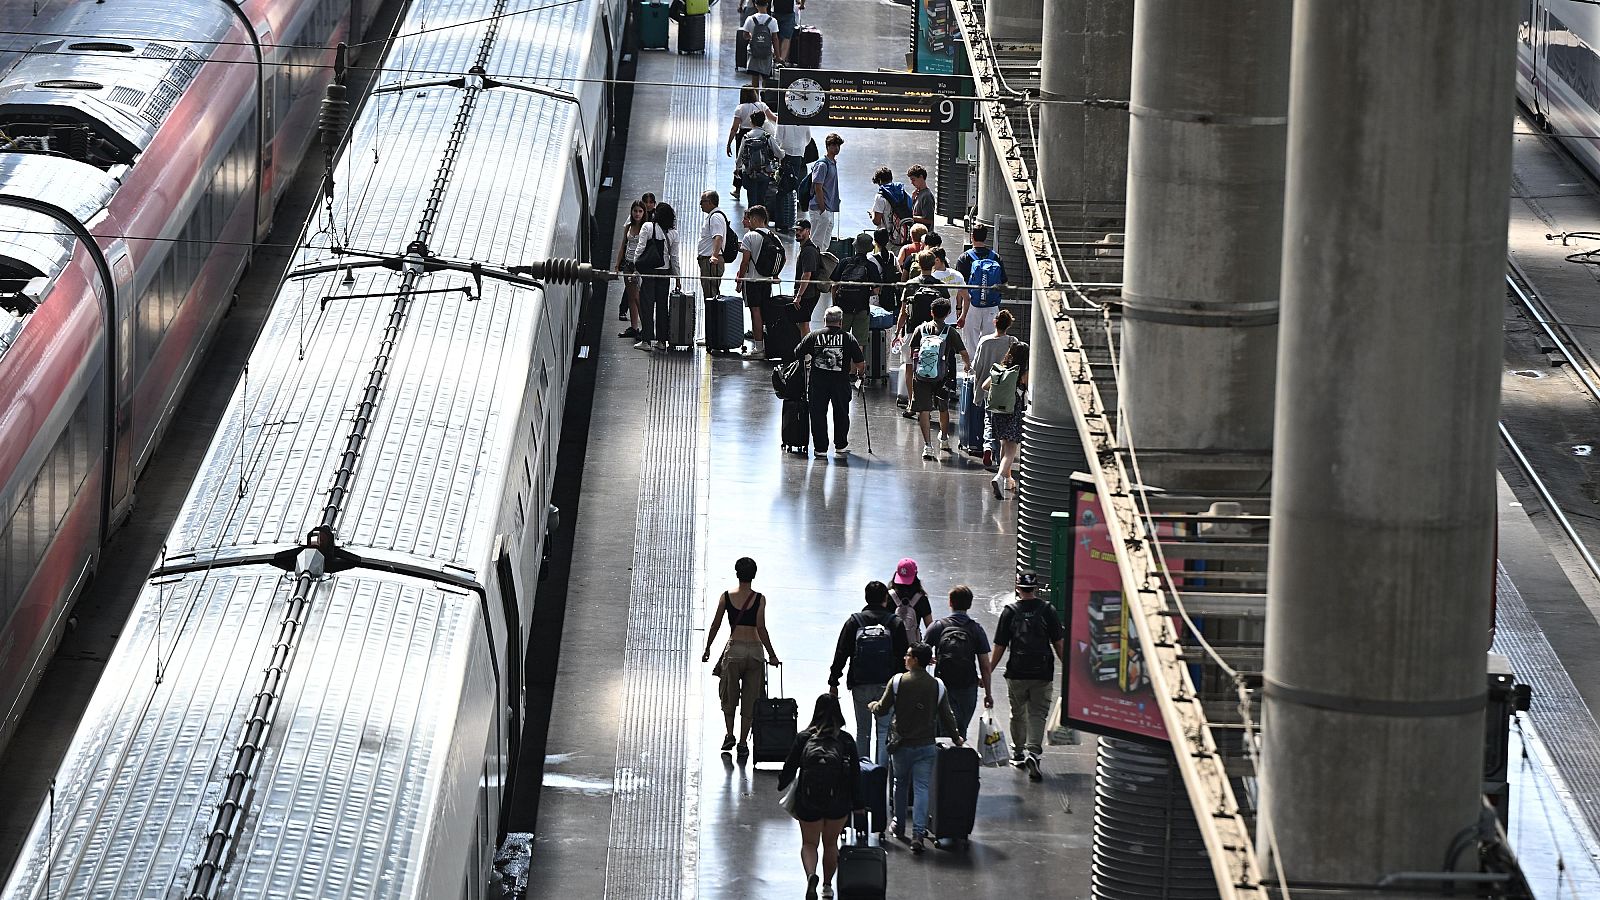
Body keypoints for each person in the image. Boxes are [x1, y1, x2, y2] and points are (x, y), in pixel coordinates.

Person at [868, 642, 963, 853]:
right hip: (926, 746)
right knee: (921, 788)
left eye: (908, 655)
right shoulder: (938, 686)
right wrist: (956, 738)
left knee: (899, 784)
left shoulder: (898, 681)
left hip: (901, 745)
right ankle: (918, 833)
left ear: (916, 660)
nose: (905, 658)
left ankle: (898, 825)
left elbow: (882, 709)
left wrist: (872, 705)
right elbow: (947, 717)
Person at [779, 694, 861, 900]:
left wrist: (782, 783)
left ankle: (811, 877)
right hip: (838, 801)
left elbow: (789, 766)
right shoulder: (846, 740)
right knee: (831, 844)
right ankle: (827, 886)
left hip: (808, 800)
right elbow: (855, 774)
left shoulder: (804, 737)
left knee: (809, 844)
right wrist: (858, 803)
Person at [988, 570, 1065, 780]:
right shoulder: (1048, 610)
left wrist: (988, 671)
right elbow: (1058, 643)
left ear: (1017, 587)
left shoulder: (1010, 611)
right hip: (1042, 672)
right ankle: (1034, 752)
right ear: (1036, 588)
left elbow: (1000, 646)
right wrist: (1068, 669)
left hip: (1017, 672)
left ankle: (1018, 752)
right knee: (1038, 714)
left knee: (1017, 711)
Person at [702, 557, 783, 757]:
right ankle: (743, 742)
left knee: (729, 693)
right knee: (751, 697)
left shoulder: (726, 597)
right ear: (754, 575)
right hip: (755, 651)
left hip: (735, 651)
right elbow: (761, 628)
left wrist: (708, 648)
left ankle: (729, 734)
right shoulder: (759, 599)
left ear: (737, 574)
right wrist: (772, 655)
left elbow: (716, 624)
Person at [827, 581, 910, 763]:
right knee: (883, 731)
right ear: (885, 599)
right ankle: (880, 773)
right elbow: (905, 657)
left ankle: (863, 773)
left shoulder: (854, 622)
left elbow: (841, 652)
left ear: (865, 597)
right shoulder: (895, 623)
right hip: (887, 685)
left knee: (863, 731)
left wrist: (834, 681)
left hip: (860, 683)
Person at [923, 585, 994, 739]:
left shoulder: (938, 627)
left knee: (943, 730)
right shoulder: (976, 629)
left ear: (950, 602)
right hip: (967, 687)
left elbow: (920, 654)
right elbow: (985, 666)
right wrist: (988, 694)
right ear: (969, 604)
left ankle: (944, 760)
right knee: (961, 730)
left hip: (943, 686)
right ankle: (958, 758)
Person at [795, 305, 864, 457]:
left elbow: (797, 352)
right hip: (841, 383)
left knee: (818, 414)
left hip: (818, 383)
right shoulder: (848, 337)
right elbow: (860, 362)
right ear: (841, 322)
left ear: (824, 320)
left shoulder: (814, 336)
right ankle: (840, 445)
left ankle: (820, 448)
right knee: (841, 413)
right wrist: (861, 374)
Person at [907, 296, 971, 458]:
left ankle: (927, 446)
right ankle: (943, 438)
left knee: (924, 410)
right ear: (948, 313)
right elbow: (963, 353)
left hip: (921, 376)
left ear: (931, 312)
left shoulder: (920, 329)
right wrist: (967, 365)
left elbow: (912, 350)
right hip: (942, 376)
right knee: (943, 408)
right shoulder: (950, 332)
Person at [970, 308, 1018, 468]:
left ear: (994, 322)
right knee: (1004, 423)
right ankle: (1000, 459)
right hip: (1007, 390)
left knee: (989, 421)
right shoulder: (1013, 342)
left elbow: (976, 366)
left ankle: (988, 447)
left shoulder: (984, 341)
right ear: (1009, 325)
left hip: (988, 389)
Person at [633, 201, 682, 351]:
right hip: (665, 273)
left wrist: (636, 267)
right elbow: (674, 258)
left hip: (649, 271)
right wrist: (678, 278)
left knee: (647, 306)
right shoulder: (673, 233)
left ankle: (646, 340)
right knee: (662, 306)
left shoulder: (648, 227)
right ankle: (662, 341)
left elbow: (640, 249)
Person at [981, 341, 1028, 497]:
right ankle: (999, 477)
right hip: (1013, 413)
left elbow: (985, 386)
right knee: (1011, 450)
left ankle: (1007, 479)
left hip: (998, 412)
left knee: (1003, 444)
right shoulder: (1023, 373)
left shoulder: (1001, 369)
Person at [736, 205, 784, 359]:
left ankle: (759, 348)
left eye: (750, 218)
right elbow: (783, 257)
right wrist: (775, 274)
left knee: (755, 312)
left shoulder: (750, 237)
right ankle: (767, 344)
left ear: (755, 219)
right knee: (764, 311)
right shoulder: (774, 237)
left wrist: (739, 280)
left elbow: (744, 262)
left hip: (752, 280)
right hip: (767, 281)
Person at [955, 223, 1007, 357]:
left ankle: (972, 372)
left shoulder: (964, 258)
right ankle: (986, 371)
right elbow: (1004, 282)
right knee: (990, 341)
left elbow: (960, 286)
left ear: (972, 237)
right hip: (992, 306)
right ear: (985, 238)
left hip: (971, 305)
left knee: (970, 342)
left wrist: (960, 309)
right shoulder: (995, 257)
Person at [725, 87, 777, 203]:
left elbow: (734, 128)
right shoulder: (762, 105)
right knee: (762, 158)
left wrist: (729, 143)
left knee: (743, 160)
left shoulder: (740, 108)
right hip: (760, 133)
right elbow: (773, 118)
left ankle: (737, 189)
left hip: (744, 134)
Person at [830, 232, 880, 350]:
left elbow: (833, 286)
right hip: (861, 308)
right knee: (858, 344)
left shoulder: (844, 262)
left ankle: (841, 367)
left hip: (843, 307)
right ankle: (854, 368)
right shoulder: (871, 266)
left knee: (839, 341)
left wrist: (834, 304)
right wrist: (866, 293)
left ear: (855, 246)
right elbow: (876, 290)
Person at [736, 110, 780, 212]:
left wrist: (738, 167)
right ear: (763, 122)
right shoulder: (767, 136)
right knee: (762, 198)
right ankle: (761, 221)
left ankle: (752, 221)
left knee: (751, 199)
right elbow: (779, 153)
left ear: (752, 122)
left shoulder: (746, 137)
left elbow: (740, 156)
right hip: (764, 172)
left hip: (749, 172)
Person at [615, 200, 647, 336]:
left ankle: (645, 328)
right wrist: (617, 264)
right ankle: (634, 327)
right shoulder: (628, 227)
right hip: (628, 264)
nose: (637, 214)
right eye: (635, 211)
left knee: (637, 297)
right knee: (631, 297)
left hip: (638, 266)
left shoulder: (646, 228)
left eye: (640, 211)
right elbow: (623, 246)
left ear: (644, 213)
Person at [774, 122, 812, 231]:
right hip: (799, 156)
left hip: (786, 156)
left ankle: (781, 223)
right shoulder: (803, 118)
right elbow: (808, 138)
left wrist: (780, 154)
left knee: (781, 192)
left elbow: (778, 138)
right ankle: (791, 220)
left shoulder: (783, 119)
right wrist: (799, 147)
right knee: (794, 188)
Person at [807, 133, 843, 249]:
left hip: (829, 209)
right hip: (820, 209)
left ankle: (820, 265)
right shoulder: (822, 164)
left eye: (838, 145)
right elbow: (818, 187)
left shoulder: (833, 163)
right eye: (834, 145)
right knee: (816, 242)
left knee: (824, 244)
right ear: (828, 146)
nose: (836, 148)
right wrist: (823, 209)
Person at [887, 558, 933, 644]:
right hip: (913, 650)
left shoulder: (888, 596)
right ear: (915, 575)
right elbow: (930, 627)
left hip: (891, 648)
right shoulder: (921, 599)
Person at [698, 190, 733, 301]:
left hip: (711, 262)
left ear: (710, 202)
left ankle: (712, 317)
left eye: (702, 201)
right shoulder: (713, 216)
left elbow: (718, 237)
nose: (700, 204)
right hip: (708, 261)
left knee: (710, 295)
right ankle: (712, 317)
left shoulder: (715, 217)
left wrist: (714, 256)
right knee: (709, 292)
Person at [792, 219, 824, 335]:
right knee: (802, 322)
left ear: (808, 231)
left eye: (800, 230)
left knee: (803, 322)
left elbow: (807, 274)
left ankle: (807, 350)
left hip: (808, 294)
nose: (797, 233)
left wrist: (799, 296)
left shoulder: (808, 251)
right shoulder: (807, 248)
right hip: (808, 292)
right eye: (796, 230)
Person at [741, 0, 779, 78]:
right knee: (766, 77)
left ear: (755, 5)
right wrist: (777, 55)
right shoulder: (773, 21)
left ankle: (755, 90)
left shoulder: (750, 19)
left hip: (753, 52)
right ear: (767, 5)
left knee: (754, 77)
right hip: (767, 52)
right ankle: (764, 90)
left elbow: (745, 35)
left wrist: (753, 37)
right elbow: (775, 39)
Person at [907, 163, 936, 230]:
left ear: (921, 177)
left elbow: (929, 220)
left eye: (913, 180)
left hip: (923, 235)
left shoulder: (927, 196)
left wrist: (910, 217)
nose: (912, 183)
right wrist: (912, 200)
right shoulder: (917, 194)